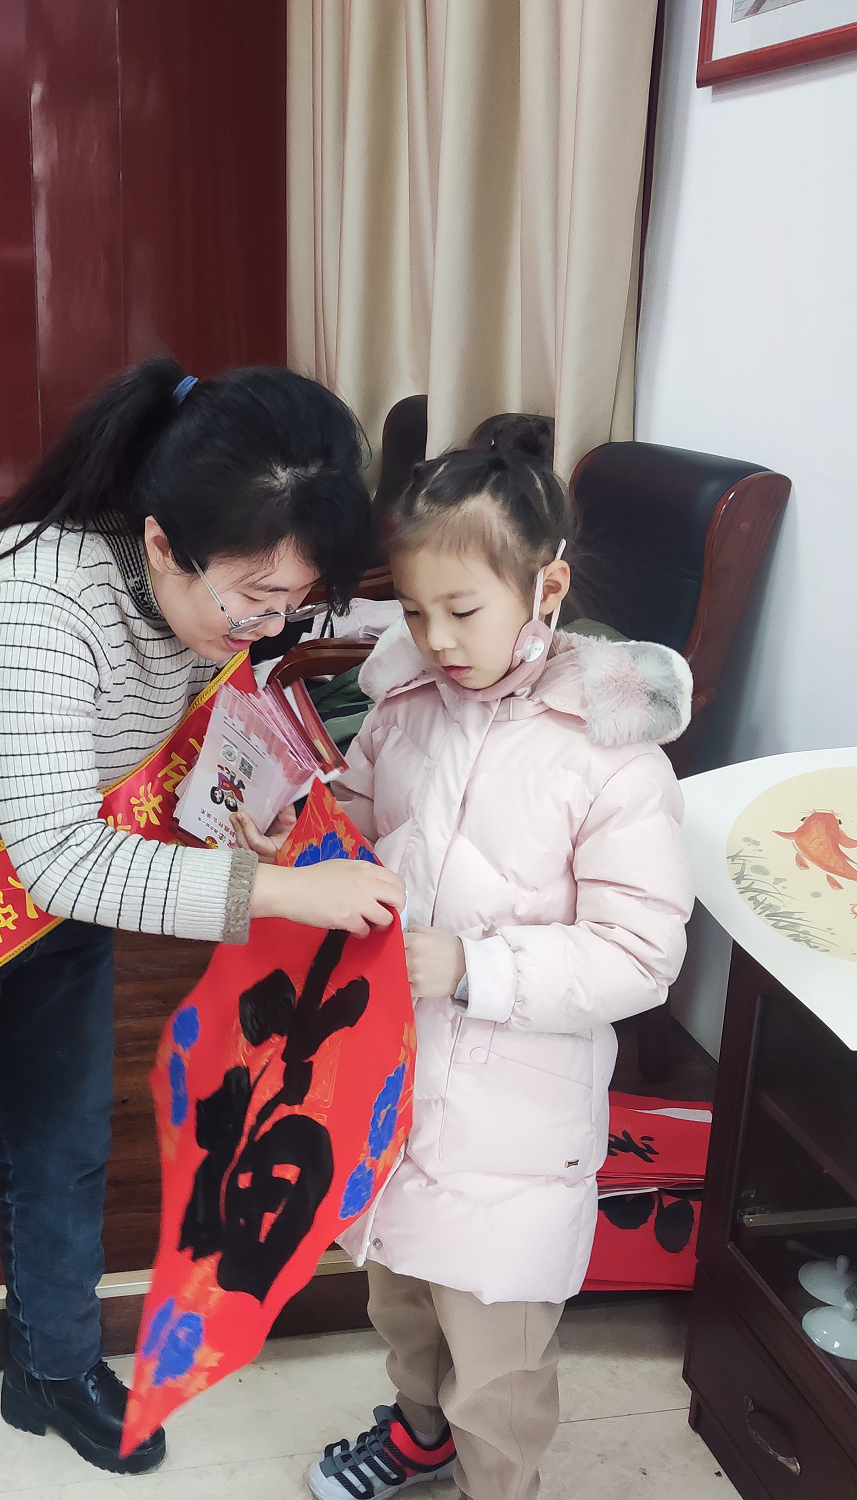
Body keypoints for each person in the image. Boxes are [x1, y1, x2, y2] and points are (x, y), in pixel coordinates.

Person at [0, 358, 406, 1500]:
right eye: (253, 600)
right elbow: (59, 862)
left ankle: (55, 1367)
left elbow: (144, 786)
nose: (269, 627)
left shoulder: (212, 603)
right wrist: (277, 891)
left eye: (294, 603)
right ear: (159, 541)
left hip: (69, 879)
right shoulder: (35, 605)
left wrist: (242, 819)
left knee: (65, 1144)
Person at [238, 429, 693, 1500]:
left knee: (497, 1363)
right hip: (389, 1085)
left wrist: (474, 967)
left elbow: (640, 955)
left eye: (462, 611)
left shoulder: (612, 755)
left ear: (546, 591)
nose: (435, 640)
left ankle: (497, 1483)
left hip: (512, 1126)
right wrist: (301, 837)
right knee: (399, 1301)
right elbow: (360, 817)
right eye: (411, 612)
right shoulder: (402, 708)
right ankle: (415, 1437)